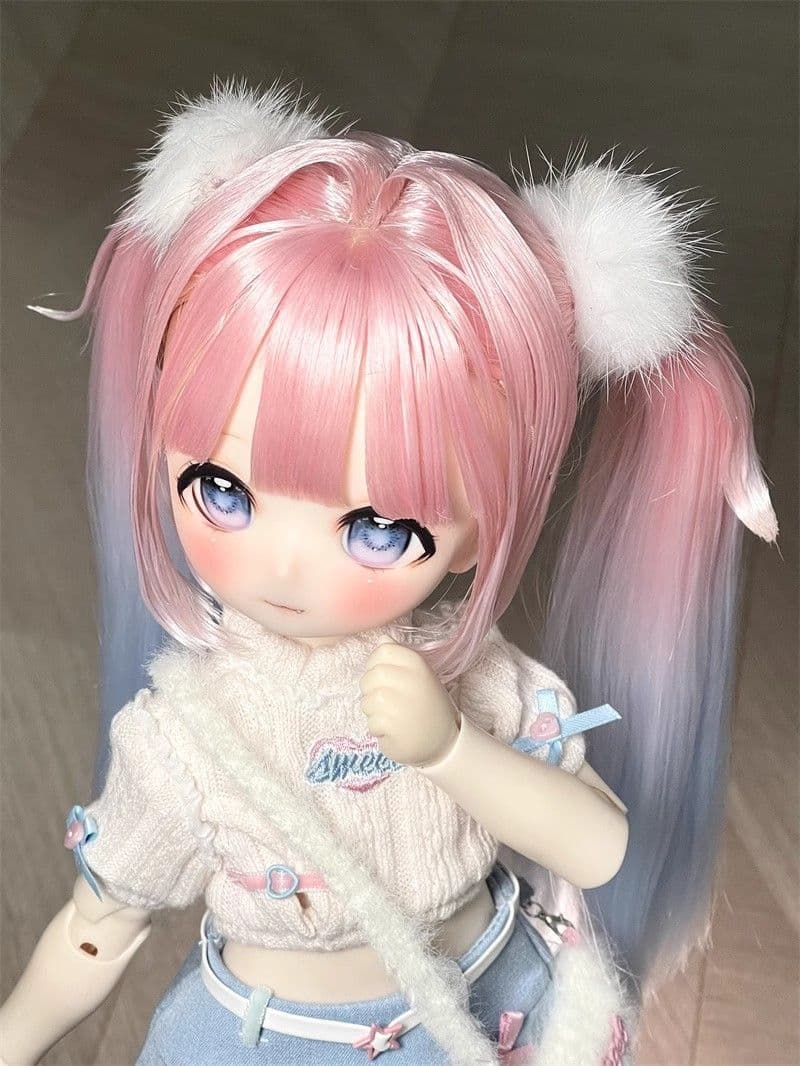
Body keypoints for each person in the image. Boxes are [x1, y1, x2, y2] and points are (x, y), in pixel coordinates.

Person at [0, 79, 776, 1065]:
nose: (285, 563)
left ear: (480, 532)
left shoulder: (473, 681)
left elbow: (600, 846)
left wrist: (452, 750)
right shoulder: (183, 733)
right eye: (222, 489)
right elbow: (98, 925)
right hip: (267, 1039)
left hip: (488, 1006)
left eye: (376, 526)